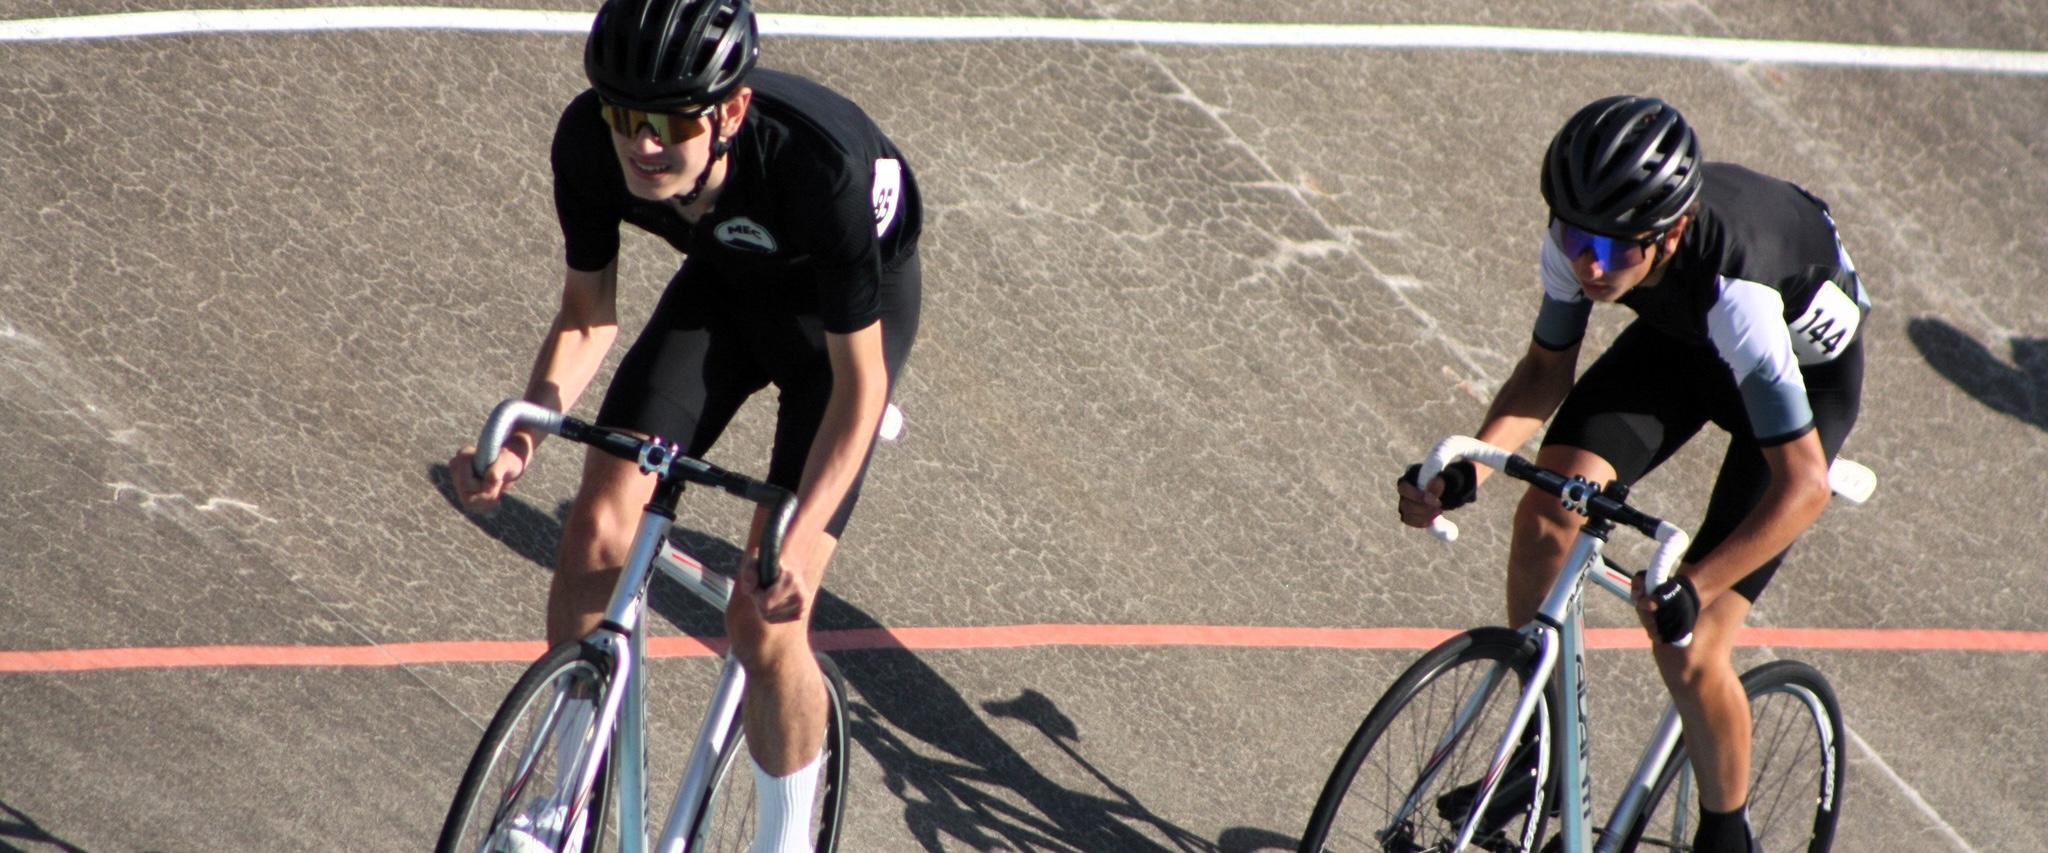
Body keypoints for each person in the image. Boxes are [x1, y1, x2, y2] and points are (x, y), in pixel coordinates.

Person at [450, 0, 921, 848]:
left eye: (666, 122)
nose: (643, 144)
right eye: (624, 116)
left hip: (843, 334)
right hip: (728, 288)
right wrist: (527, 435)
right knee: (596, 527)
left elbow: (859, 391)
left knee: (762, 616)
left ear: (731, 111)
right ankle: (566, 805)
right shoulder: (589, 145)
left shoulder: (822, 169)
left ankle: (784, 839)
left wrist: (796, 540)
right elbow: (587, 315)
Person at [1396, 95, 1867, 852]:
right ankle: (1536, 752)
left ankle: (1725, 831)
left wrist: (1696, 587)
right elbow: (1545, 371)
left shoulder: (1739, 296)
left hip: (1791, 386)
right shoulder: (1588, 234)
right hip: (1682, 345)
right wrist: (1466, 474)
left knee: (1692, 642)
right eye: (1577, 238)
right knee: (1547, 514)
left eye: (1613, 252)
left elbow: (1803, 485)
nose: (1588, 264)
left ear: (1671, 231)